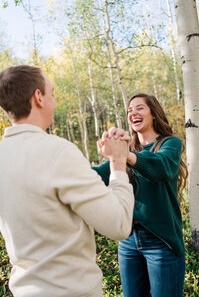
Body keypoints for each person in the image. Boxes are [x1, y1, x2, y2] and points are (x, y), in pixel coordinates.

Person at [0, 65, 135, 297]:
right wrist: (118, 161)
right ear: (39, 97)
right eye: (52, 93)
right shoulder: (58, 151)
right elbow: (119, 224)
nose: (54, 100)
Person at [93, 93, 188, 297]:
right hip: (128, 241)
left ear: (153, 113)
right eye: (129, 110)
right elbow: (98, 175)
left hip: (162, 241)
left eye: (139, 108)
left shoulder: (170, 144)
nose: (132, 113)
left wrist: (123, 154)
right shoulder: (128, 150)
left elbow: (161, 168)